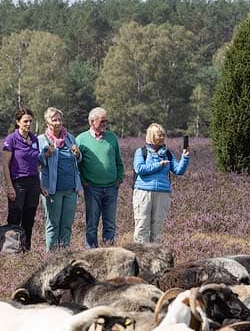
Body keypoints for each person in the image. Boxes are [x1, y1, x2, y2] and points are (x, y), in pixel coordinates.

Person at [132, 123, 189, 244]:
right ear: (152, 136)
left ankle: (154, 255)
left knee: (157, 226)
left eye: (163, 135)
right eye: (160, 135)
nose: (163, 137)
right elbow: (139, 169)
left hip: (163, 193)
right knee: (142, 224)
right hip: (143, 192)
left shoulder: (167, 153)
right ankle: (140, 255)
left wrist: (185, 158)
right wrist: (159, 165)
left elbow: (179, 171)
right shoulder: (141, 152)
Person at [76, 107, 123, 248]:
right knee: (92, 223)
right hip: (92, 188)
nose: (105, 123)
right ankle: (92, 253)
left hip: (111, 187)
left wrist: (119, 179)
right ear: (92, 122)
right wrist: (84, 182)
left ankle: (108, 252)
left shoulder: (112, 137)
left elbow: (118, 161)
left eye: (106, 121)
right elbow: (77, 163)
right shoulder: (81, 139)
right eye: (102, 121)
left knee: (110, 224)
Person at [38, 107, 82, 251]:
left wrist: (77, 154)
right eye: (54, 120)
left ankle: (64, 254)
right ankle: (50, 256)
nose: (58, 123)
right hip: (52, 189)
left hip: (70, 189)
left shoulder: (70, 138)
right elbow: (37, 163)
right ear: (47, 122)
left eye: (59, 119)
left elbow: (78, 160)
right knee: (53, 224)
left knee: (67, 224)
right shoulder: (41, 140)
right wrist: (46, 155)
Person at [1, 107, 42, 251]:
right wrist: (9, 186)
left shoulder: (34, 139)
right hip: (18, 183)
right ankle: (11, 250)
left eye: (30, 121)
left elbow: (35, 164)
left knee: (29, 218)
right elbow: (5, 165)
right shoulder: (11, 139)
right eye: (25, 121)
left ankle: (26, 249)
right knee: (14, 217)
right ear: (18, 122)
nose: (28, 124)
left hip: (33, 183)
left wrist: (40, 185)